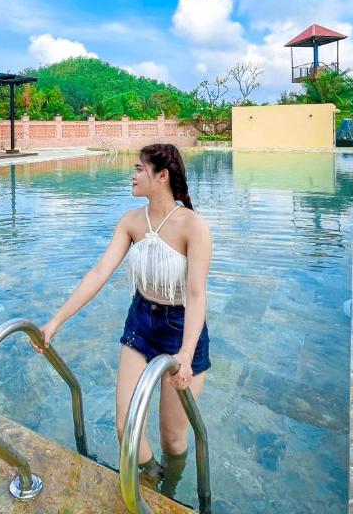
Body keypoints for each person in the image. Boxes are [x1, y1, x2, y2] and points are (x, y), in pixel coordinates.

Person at [31, 142, 212, 489]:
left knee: (173, 438)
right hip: (141, 322)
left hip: (182, 330)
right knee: (125, 427)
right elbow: (99, 272)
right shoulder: (131, 221)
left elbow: (196, 294)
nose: (133, 175)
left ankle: (171, 490)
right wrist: (56, 321)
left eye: (139, 169)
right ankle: (152, 477)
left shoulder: (194, 227)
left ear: (162, 176)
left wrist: (186, 354)